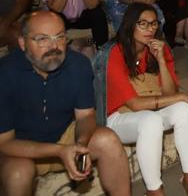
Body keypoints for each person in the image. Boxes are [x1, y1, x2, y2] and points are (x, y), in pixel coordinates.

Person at [0, 11, 130, 196]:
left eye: (60, 37)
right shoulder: (5, 73)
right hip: (21, 149)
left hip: (63, 135)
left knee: (108, 140)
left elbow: (85, 115)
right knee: (18, 173)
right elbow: (4, 143)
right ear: (23, 43)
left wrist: (80, 145)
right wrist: (60, 151)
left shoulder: (79, 65)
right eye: (42, 39)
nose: (54, 47)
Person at [105, 4, 188, 196]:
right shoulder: (115, 53)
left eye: (153, 24)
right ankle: (154, 191)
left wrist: (161, 61)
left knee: (182, 109)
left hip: (149, 111)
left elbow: (169, 94)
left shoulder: (159, 48)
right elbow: (134, 104)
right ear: (130, 25)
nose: (149, 29)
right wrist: (183, 95)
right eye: (142, 24)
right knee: (152, 121)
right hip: (118, 116)